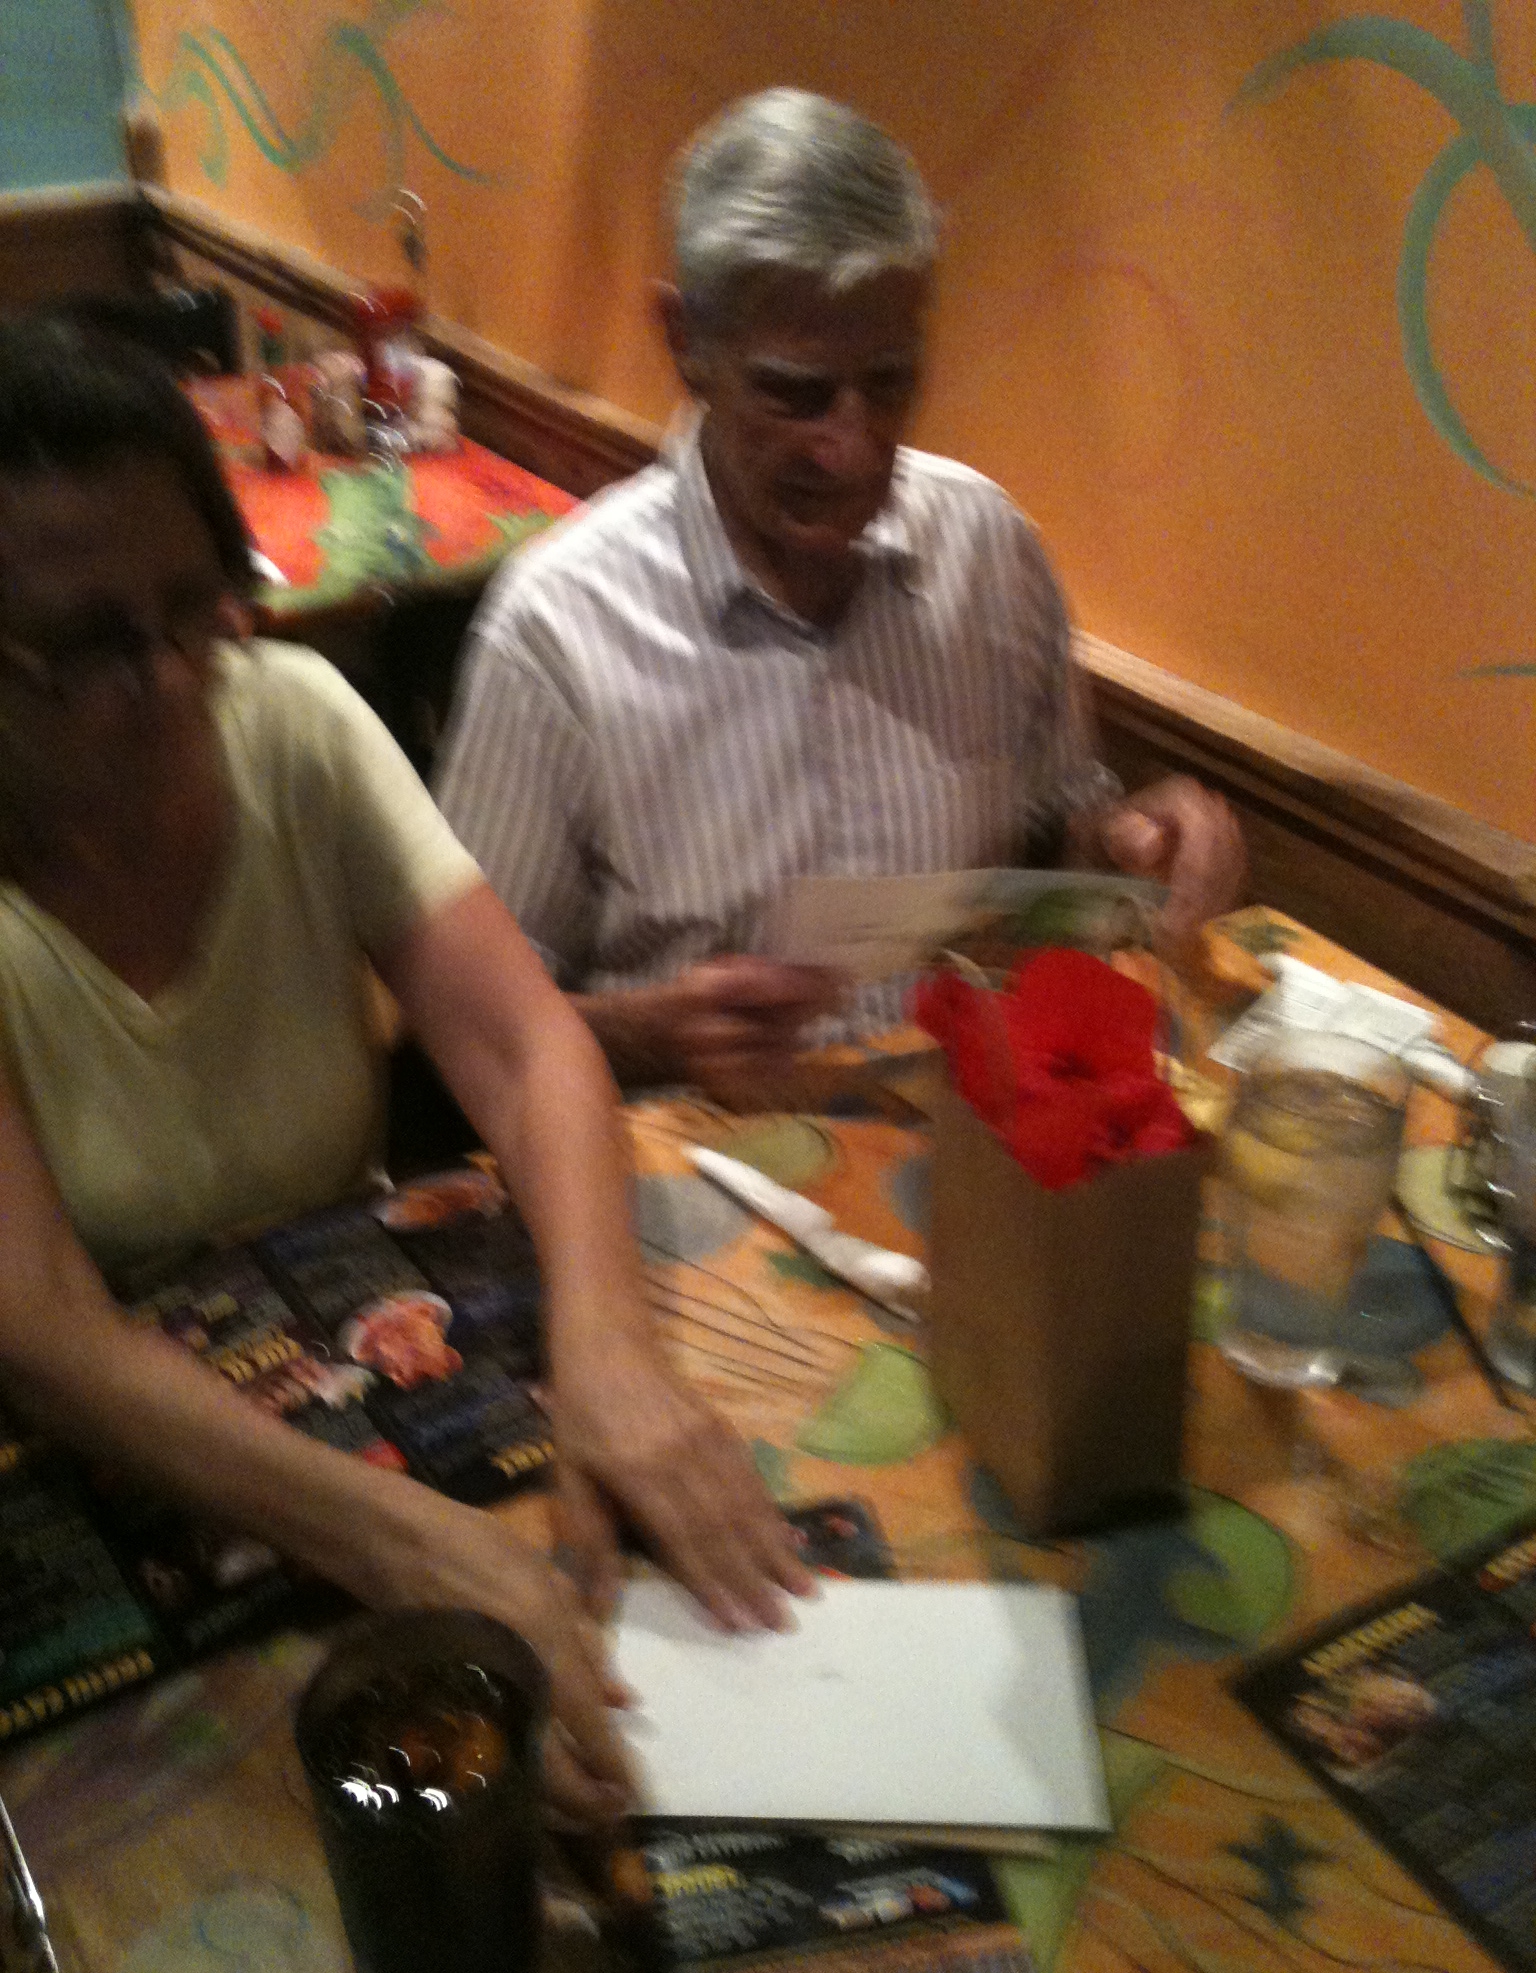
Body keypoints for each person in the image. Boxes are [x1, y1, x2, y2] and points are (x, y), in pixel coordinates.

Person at [0, 316, 810, 1826]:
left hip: (344, 1381)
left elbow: (527, 1045)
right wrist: (396, 1539)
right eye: (93, 645)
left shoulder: (292, 720)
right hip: (108, 1478)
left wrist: (609, 1356)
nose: (172, 682)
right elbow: (44, 1329)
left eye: (197, 607)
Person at [436, 88, 1245, 1105]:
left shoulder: (989, 552)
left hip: (969, 1129)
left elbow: (1057, 835)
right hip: (695, 1165)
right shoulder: (557, 630)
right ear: (685, 342)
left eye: (891, 382)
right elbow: (464, 1022)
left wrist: (1135, 844)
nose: (853, 449)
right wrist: (653, 1034)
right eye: (796, 391)